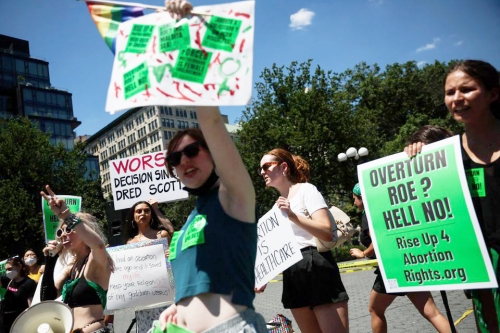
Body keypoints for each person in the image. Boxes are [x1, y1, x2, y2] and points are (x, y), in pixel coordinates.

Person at [406, 60, 500, 332]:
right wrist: (414, 162)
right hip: (480, 266)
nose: (457, 98)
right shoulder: (447, 156)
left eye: (467, 89)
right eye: (450, 93)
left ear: (492, 94)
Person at [158, 106, 267, 333]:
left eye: (192, 150)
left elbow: (212, 121)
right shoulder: (191, 218)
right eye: (175, 158)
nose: (184, 160)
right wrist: (178, 304)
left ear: (212, 151)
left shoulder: (234, 196)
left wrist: (198, 86)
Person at [257, 148, 349, 333]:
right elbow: (276, 249)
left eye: (266, 166)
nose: (262, 172)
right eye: (260, 169)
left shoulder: (306, 190)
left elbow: (326, 232)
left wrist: (292, 215)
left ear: (283, 167)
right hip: (292, 272)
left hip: (315, 264)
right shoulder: (277, 207)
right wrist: (263, 275)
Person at [350, 181, 451, 333]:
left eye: (354, 198)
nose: (354, 202)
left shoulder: (368, 215)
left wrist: (363, 253)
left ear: (362, 198)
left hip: (393, 269)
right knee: (432, 312)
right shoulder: (385, 210)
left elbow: (378, 242)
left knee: (375, 309)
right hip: (410, 264)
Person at [41, 185, 114, 333]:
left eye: (69, 229)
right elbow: (47, 300)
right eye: (61, 231)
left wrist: (66, 215)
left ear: (84, 230)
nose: (63, 234)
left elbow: (99, 246)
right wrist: (50, 260)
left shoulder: (95, 260)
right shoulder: (72, 267)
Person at [0, 256, 37, 332]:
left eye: (10, 269)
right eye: (6, 270)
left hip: (18, 321)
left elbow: (31, 305)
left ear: (19, 266)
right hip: (4, 319)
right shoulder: (8, 279)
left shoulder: (29, 283)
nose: (7, 272)